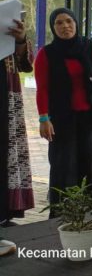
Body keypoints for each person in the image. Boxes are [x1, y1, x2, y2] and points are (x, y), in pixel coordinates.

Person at [34, 8, 92, 214]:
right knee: (62, 165)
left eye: (69, 21)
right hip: (61, 119)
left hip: (89, 116)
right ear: (53, 27)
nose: (65, 26)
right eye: (59, 23)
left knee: (88, 163)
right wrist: (44, 118)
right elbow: (42, 88)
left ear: (76, 23)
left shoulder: (89, 47)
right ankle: (60, 211)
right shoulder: (46, 54)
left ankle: (87, 209)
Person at [1, 14, 34, 254]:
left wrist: (21, 39)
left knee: (6, 157)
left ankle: (3, 215)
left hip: (6, 96)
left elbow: (25, 64)